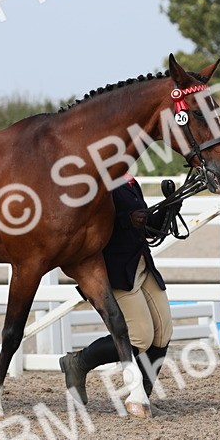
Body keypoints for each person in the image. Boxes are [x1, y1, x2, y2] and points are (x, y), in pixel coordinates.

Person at [60, 176, 181, 411]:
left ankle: (142, 398)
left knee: (163, 332)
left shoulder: (129, 182)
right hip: (114, 270)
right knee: (140, 337)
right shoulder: (96, 183)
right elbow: (90, 225)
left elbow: (146, 228)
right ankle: (78, 362)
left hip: (141, 263)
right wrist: (127, 221)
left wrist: (170, 206)